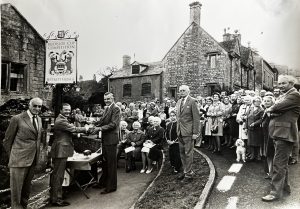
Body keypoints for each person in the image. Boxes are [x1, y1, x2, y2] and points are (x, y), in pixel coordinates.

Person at [262, 75, 300, 202]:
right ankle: (284, 188)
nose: (280, 86)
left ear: (291, 83)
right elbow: (277, 108)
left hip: (285, 134)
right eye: (279, 83)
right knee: (281, 163)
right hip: (279, 133)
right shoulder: (285, 95)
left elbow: (277, 107)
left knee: (278, 164)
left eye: (283, 83)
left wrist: (270, 109)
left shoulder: (294, 95)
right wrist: (273, 110)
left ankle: (275, 193)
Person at [3, 98, 43, 209]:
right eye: (35, 106)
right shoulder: (17, 119)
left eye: (39, 106)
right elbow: (7, 140)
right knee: (16, 192)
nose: (37, 108)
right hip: (18, 161)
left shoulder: (39, 119)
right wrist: (13, 156)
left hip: (32, 160)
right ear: (29, 105)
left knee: (26, 191)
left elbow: (38, 139)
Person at [50, 103, 88, 206]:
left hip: (62, 150)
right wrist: (86, 128)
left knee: (58, 175)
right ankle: (56, 199)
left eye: (69, 110)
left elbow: (69, 132)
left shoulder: (62, 119)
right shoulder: (61, 120)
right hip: (60, 151)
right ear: (61, 110)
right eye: (65, 110)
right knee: (58, 175)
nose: (68, 111)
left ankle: (56, 196)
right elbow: (74, 129)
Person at [93, 92, 121, 194]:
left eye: (108, 99)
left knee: (111, 164)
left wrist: (99, 128)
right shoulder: (107, 108)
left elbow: (113, 124)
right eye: (105, 99)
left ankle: (111, 186)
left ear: (113, 98)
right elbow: (102, 121)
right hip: (105, 139)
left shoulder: (116, 108)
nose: (106, 101)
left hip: (111, 140)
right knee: (105, 162)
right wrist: (93, 123)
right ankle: (103, 182)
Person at [176, 85, 200, 182]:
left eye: (183, 90)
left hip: (189, 132)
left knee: (188, 153)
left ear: (188, 91)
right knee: (182, 153)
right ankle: (186, 170)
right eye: (180, 91)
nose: (181, 92)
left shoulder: (193, 101)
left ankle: (189, 174)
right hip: (180, 131)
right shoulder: (179, 102)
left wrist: (195, 132)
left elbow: (196, 118)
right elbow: (179, 117)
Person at [246, 96, 264, 161]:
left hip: (257, 128)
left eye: (259, 101)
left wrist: (255, 123)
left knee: (257, 143)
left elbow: (261, 119)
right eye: (256, 101)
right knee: (251, 143)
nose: (258, 102)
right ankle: (252, 156)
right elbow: (247, 118)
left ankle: (258, 156)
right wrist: (246, 127)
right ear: (253, 102)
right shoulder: (250, 108)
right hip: (250, 128)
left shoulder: (261, 110)